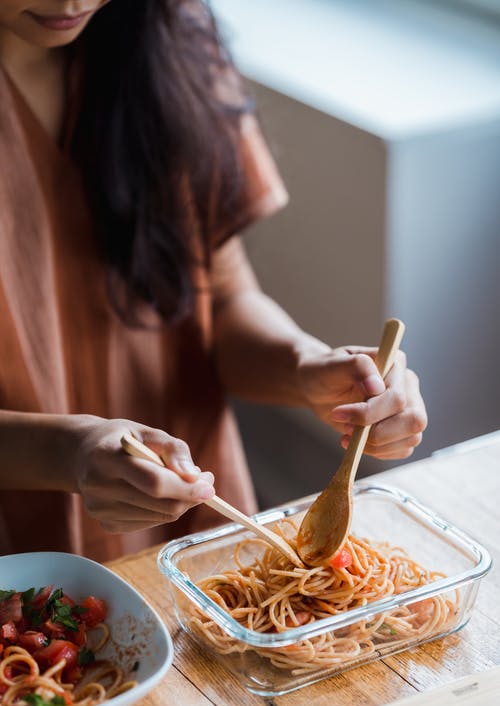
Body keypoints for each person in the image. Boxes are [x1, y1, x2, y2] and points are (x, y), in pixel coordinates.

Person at [0, 0, 427, 562]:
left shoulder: (172, 42)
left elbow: (223, 300)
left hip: (191, 532)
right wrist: (67, 453)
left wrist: (307, 368)